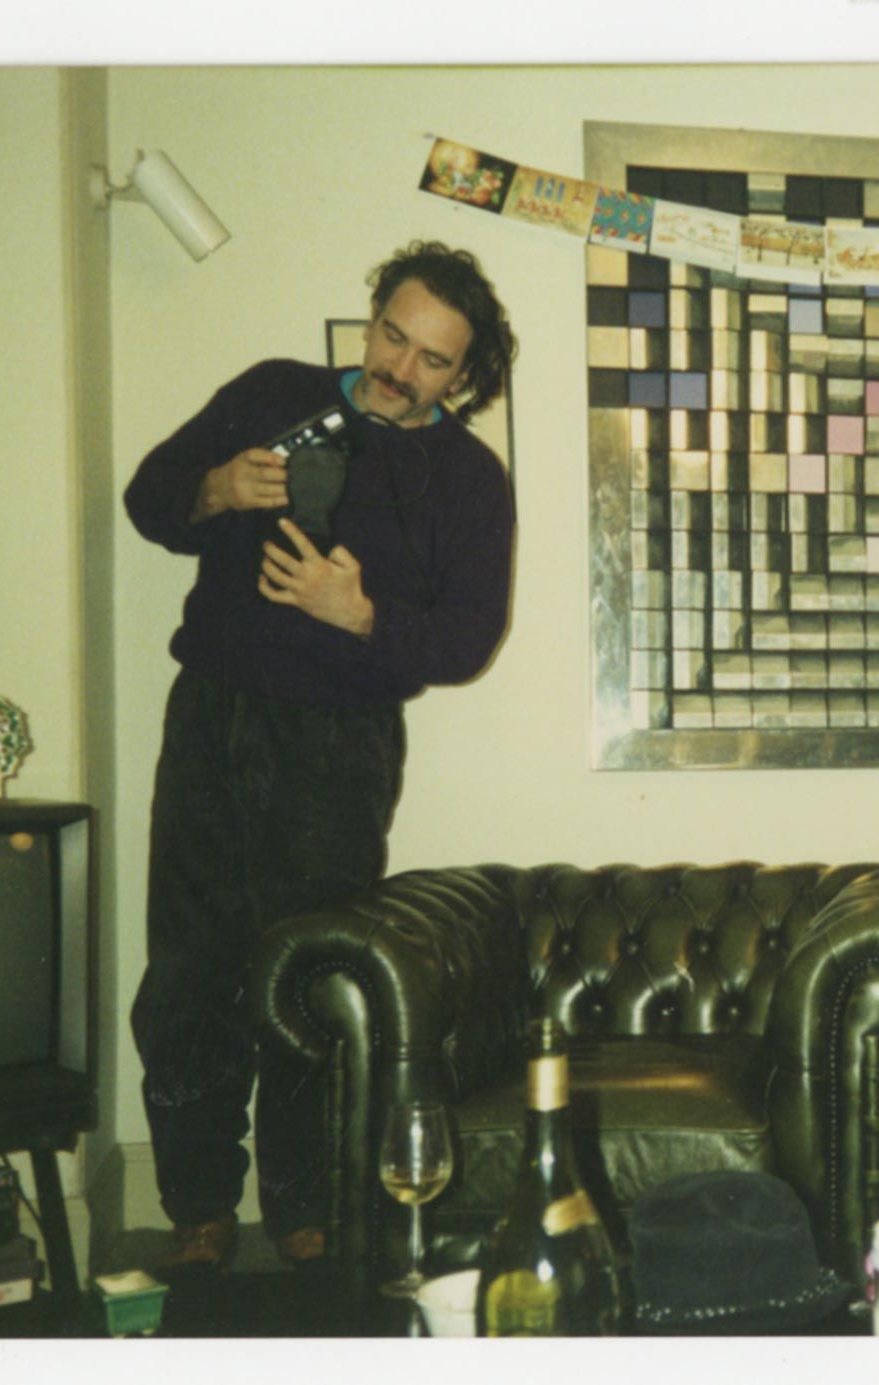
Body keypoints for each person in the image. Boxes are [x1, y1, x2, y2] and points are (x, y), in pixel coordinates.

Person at [123, 240, 517, 1274]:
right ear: (372, 312)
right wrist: (214, 487)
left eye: (432, 360)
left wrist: (362, 615)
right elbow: (147, 497)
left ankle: (304, 1196)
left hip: (341, 743)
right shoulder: (270, 392)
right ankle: (200, 1204)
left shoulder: (471, 481)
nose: (400, 369)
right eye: (394, 334)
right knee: (188, 970)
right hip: (214, 712)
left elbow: (467, 639)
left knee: (309, 973)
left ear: (463, 377)